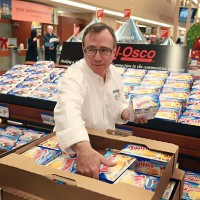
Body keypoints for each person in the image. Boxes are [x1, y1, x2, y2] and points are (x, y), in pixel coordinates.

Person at [54, 22, 148, 179]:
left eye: (104, 50)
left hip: (105, 147)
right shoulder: (73, 76)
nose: (97, 57)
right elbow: (68, 110)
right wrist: (83, 147)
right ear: (83, 50)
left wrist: (127, 113)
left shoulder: (115, 73)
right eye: (91, 50)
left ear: (114, 52)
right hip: (77, 151)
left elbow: (117, 103)